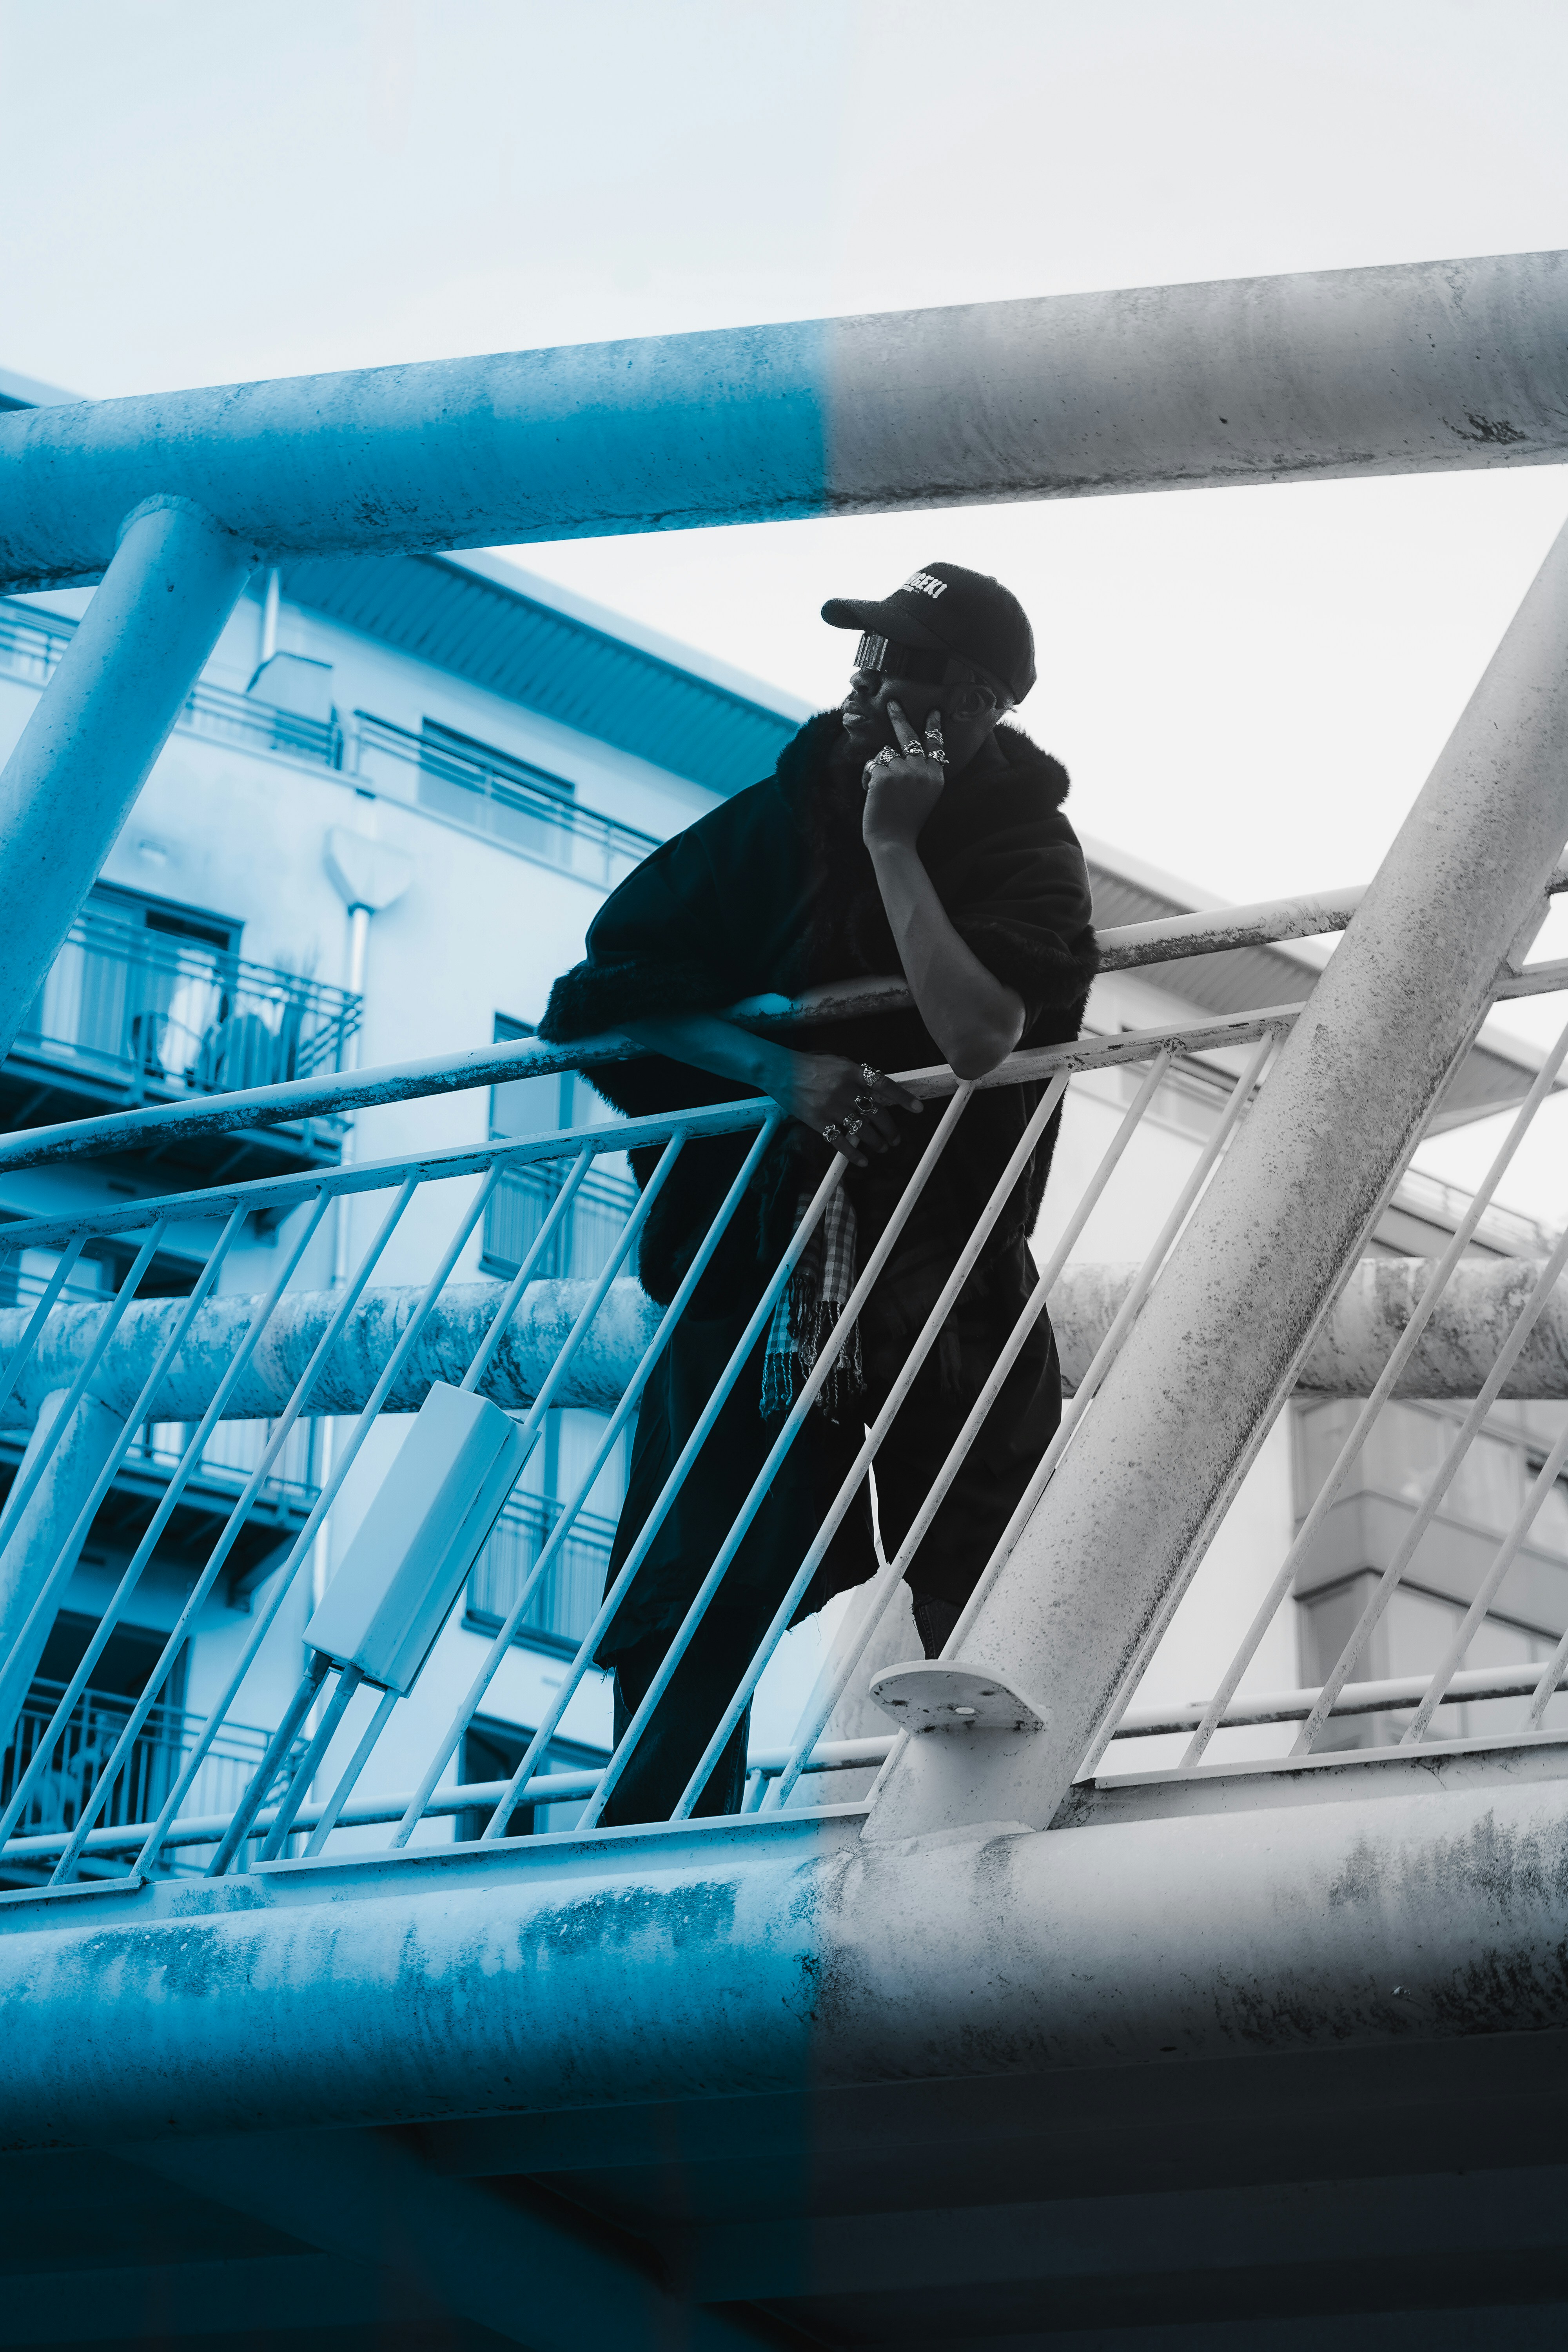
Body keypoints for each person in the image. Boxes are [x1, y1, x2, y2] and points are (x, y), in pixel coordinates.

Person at [539, 563, 1097, 1823]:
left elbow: (978, 1032)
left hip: (940, 1269)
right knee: (687, 1586)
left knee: (990, 1565)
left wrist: (896, 843)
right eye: (862, 658)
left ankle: (1004, 1849)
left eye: (898, 667)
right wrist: (782, 1070)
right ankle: (653, 1867)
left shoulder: (1022, 843)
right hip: (754, 1270)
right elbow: (596, 1001)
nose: (865, 686)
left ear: (973, 703)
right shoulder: (785, 810)